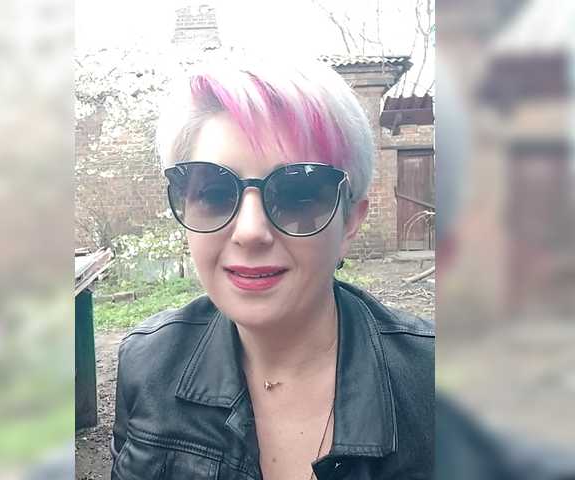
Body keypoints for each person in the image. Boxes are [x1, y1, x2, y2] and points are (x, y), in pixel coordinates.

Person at [111, 57, 434, 480]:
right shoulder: (146, 364)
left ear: (350, 221)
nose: (250, 231)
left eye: (298, 194)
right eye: (214, 192)